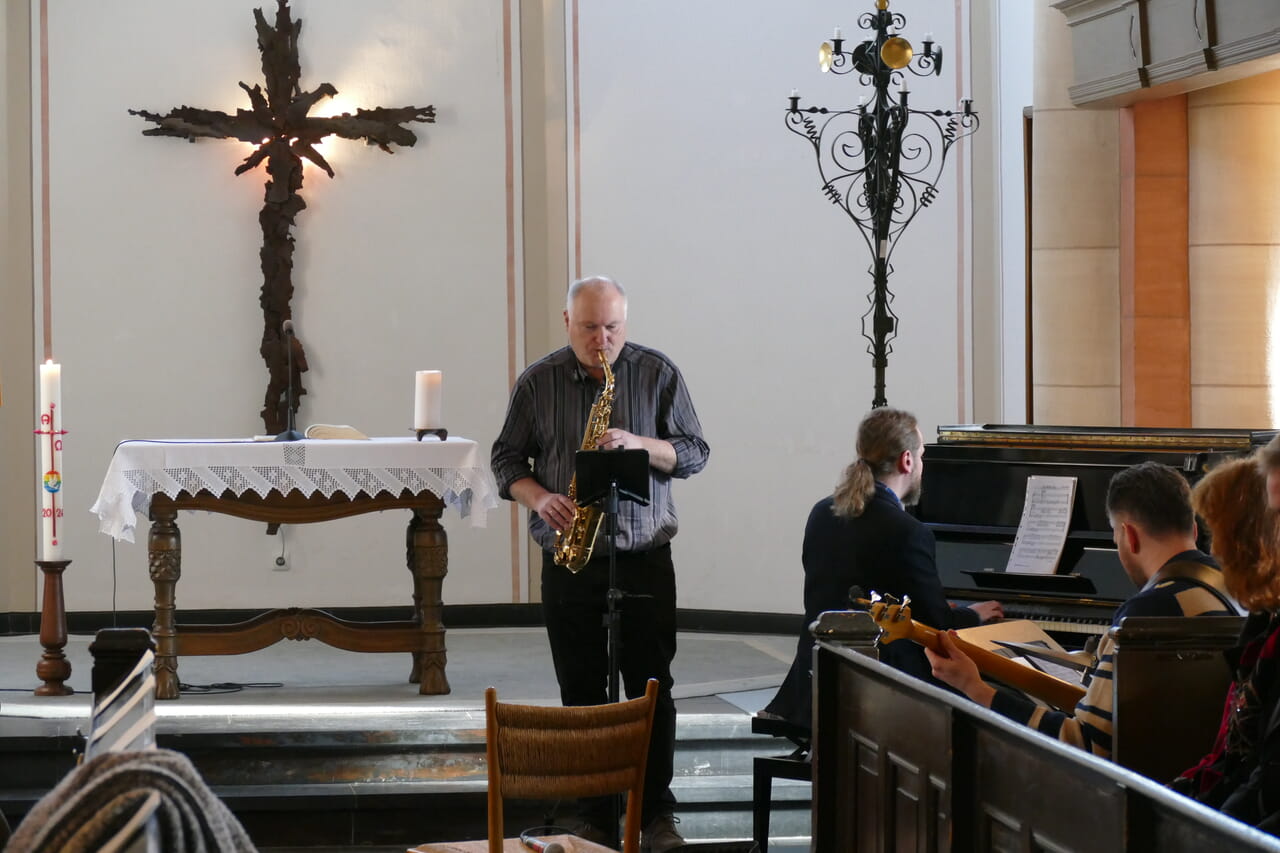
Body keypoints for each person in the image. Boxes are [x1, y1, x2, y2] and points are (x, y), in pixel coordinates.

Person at [490, 275, 709, 852]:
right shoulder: (538, 382)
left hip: (644, 557)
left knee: (652, 690)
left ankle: (656, 815)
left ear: (625, 324)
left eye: (612, 327)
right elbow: (505, 458)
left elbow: (694, 451)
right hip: (570, 560)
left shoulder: (657, 373)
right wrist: (540, 498)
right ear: (567, 322)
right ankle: (591, 815)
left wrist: (642, 444)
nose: (602, 340)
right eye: (590, 327)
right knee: (581, 689)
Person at [926, 461, 1238, 760]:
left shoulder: (1148, 614)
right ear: (1194, 531)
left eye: (1115, 535)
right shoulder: (1235, 587)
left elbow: (1085, 743)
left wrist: (974, 687)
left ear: (1129, 536)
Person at [762, 407, 1004, 731]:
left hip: (813, 680)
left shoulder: (822, 513)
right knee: (999, 694)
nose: (922, 465)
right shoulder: (908, 531)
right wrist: (974, 615)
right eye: (921, 455)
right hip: (883, 688)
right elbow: (938, 627)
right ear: (907, 460)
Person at [1171, 447, 1280, 833]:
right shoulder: (1265, 624)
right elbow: (1232, 759)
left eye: (1222, 534)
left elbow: (1265, 785)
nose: (1214, 550)